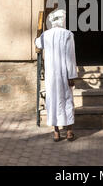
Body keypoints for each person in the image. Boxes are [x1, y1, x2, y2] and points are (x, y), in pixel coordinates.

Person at [35, 9, 78, 142]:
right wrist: (71, 76)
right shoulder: (68, 34)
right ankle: (69, 131)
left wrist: (37, 35)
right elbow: (70, 57)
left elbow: (37, 44)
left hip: (51, 75)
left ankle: (56, 132)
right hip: (64, 74)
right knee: (67, 100)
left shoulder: (45, 35)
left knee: (52, 100)